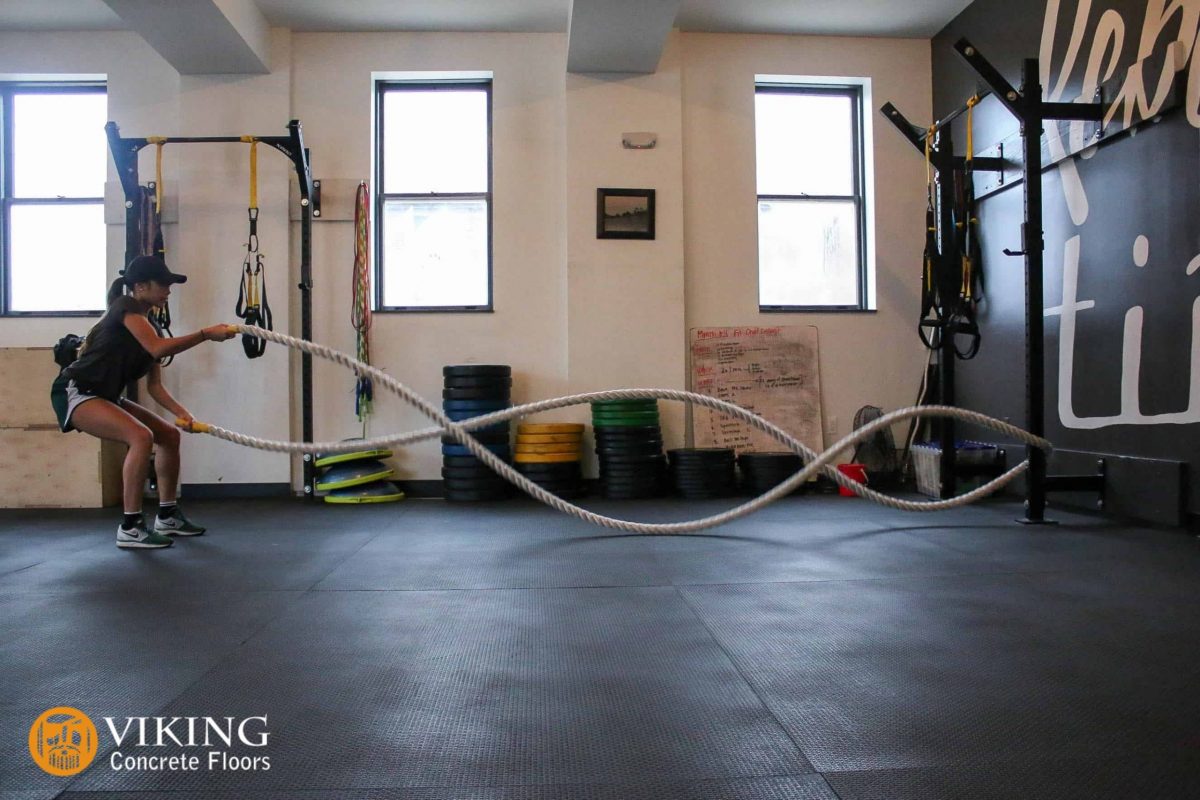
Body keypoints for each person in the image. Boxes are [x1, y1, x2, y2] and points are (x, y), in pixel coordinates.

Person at [50, 255, 237, 550]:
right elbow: (157, 348)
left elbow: (155, 387)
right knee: (140, 436)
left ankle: (167, 515)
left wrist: (182, 413)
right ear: (139, 286)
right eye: (162, 284)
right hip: (76, 391)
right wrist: (204, 334)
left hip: (106, 395)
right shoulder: (126, 309)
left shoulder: (152, 326)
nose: (168, 290)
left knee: (169, 435)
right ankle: (131, 526)